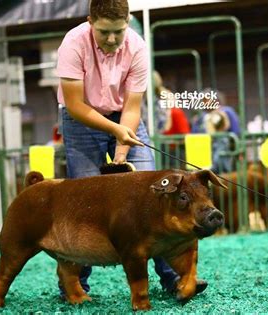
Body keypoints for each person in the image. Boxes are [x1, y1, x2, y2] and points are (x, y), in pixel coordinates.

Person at [56, 0, 207, 299]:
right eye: (103, 32)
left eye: (118, 31)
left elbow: (132, 107)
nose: (112, 39)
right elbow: (74, 104)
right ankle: (73, 286)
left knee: (158, 192)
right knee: (83, 201)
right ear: (90, 21)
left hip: (125, 117)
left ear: (127, 23)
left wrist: (122, 153)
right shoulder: (72, 43)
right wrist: (114, 131)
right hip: (80, 118)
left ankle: (175, 277)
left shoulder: (137, 47)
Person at [190, 89, 240, 173]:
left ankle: (216, 168)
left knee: (222, 139)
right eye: (203, 100)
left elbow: (236, 131)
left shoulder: (226, 111)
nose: (205, 103)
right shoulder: (201, 117)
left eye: (207, 99)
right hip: (205, 149)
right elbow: (194, 132)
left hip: (223, 148)